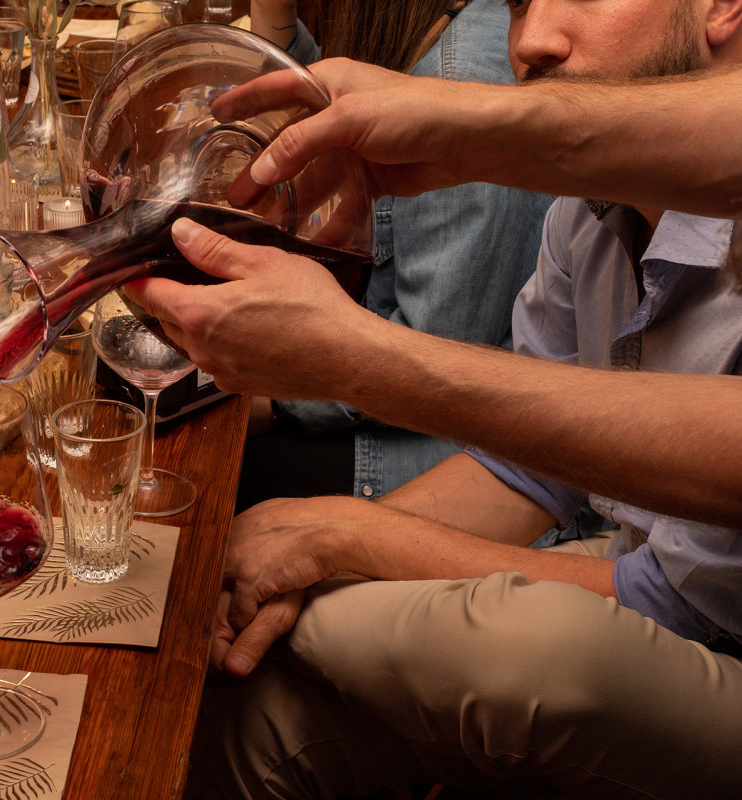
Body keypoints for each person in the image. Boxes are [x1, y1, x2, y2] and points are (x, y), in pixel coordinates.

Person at [139, 0, 742, 795]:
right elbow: (528, 471)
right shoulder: (591, 210)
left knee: (505, 648)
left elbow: (684, 606)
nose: (527, 40)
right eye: (521, 2)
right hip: (656, 574)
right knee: (258, 710)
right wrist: (307, 550)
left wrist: (343, 534)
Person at [237, 0, 554, 510]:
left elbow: (434, 354)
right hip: (416, 404)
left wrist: (276, 401)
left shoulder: (462, 70)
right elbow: (311, 93)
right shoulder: (422, 33)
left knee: (228, 477)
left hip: (449, 450)